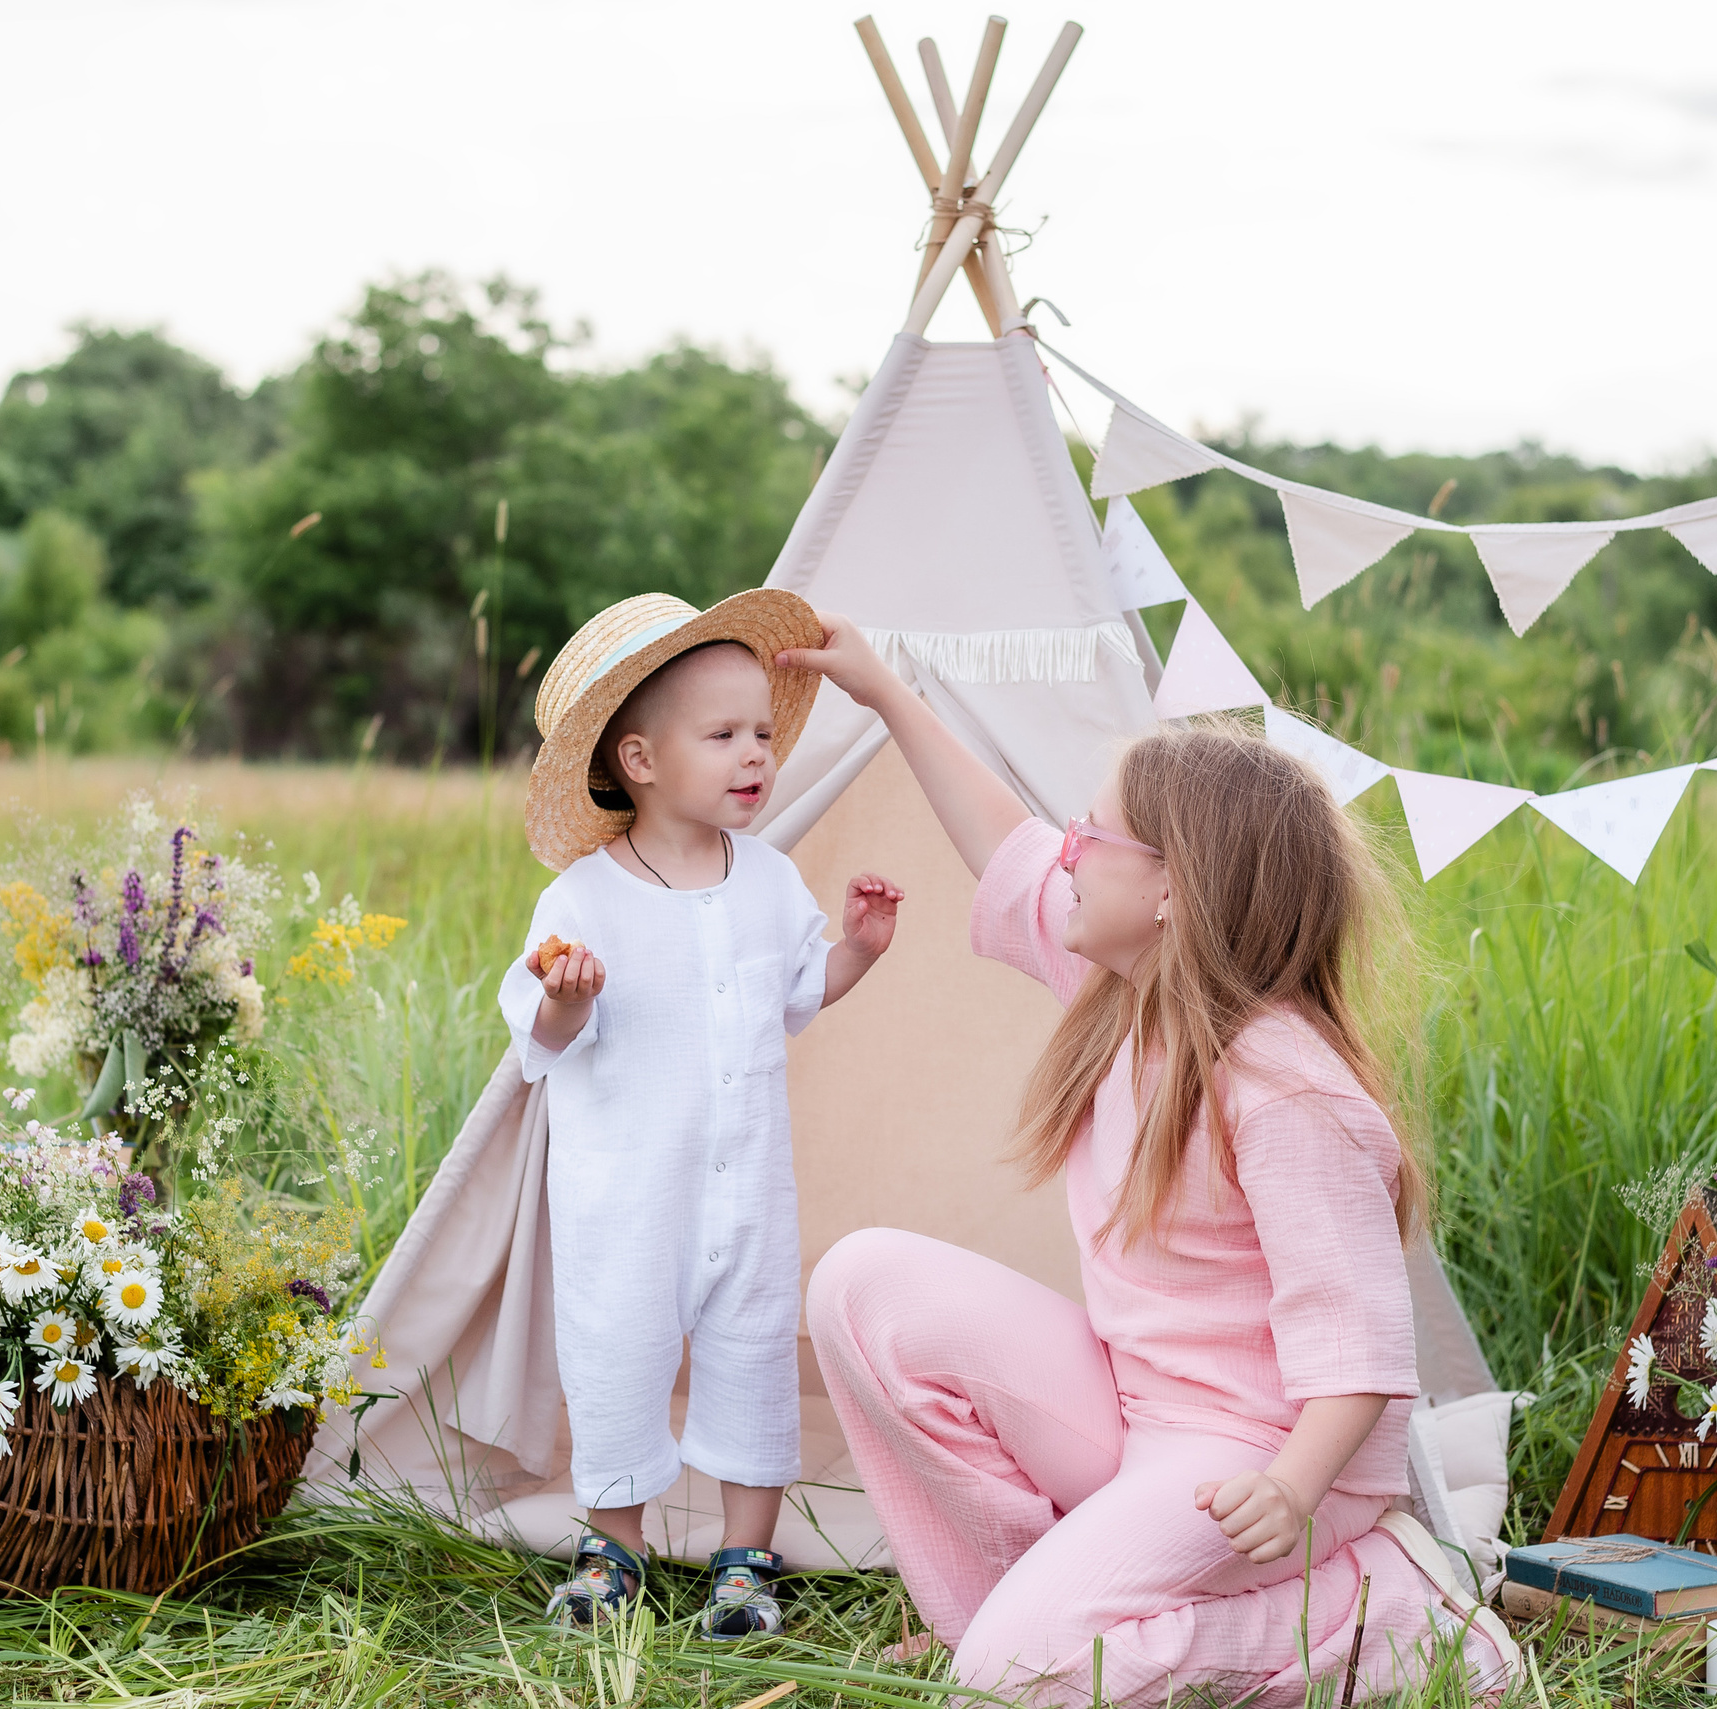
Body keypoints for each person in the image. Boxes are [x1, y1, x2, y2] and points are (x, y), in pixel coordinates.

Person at [775, 615, 1518, 1704]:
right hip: (1140, 1407)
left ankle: (1380, 1617)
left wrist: (1293, 1489)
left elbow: (1357, 1345)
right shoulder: (1125, 990)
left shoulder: (1285, 1089)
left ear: (1171, 890)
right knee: (861, 1283)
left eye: (1093, 836)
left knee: (1014, 1680)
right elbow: (1000, 835)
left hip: (1261, 1454)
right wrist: (888, 695)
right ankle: (1003, 1616)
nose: (1064, 849)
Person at [501, 590, 904, 1640]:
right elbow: (536, 1041)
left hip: (747, 1190)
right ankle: (612, 1547)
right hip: (628, 1197)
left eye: (761, 732)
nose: (753, 754)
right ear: (639, 758)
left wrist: (857, 948)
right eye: (722, 734)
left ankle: (742, 1558)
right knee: (619, 1354)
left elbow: (796, 991)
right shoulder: (582, 897)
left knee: (752, 1351)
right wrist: (566, 997)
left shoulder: (768, 878)